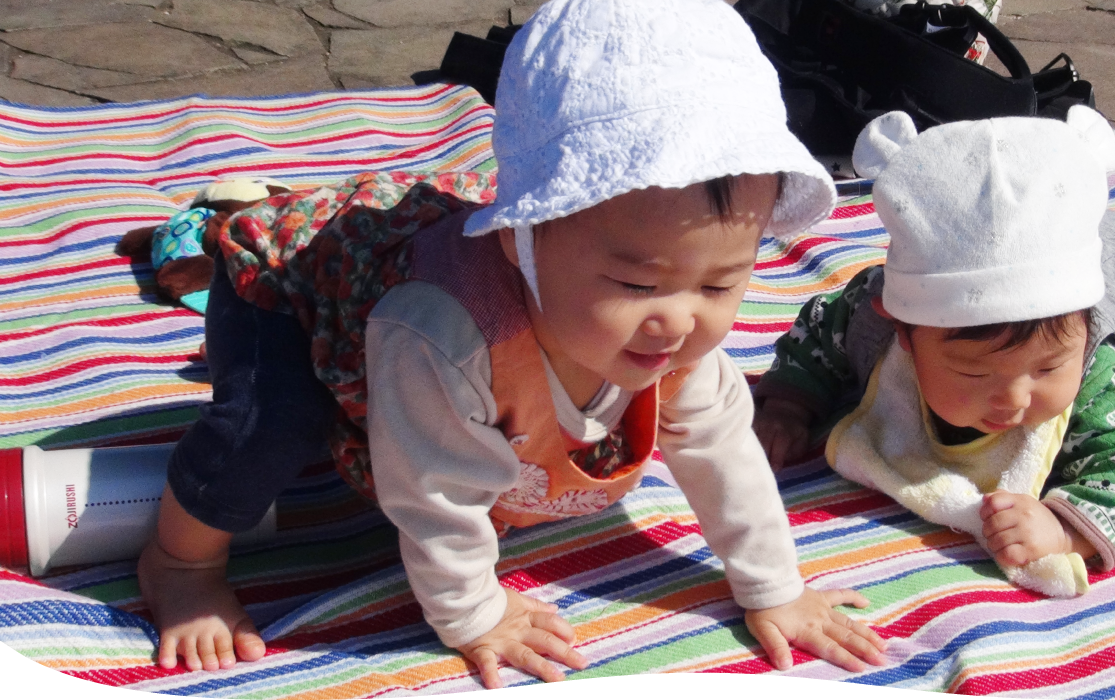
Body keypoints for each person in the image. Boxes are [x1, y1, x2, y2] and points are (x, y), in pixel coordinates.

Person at [137, 0, 887, 686]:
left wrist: (774, 587)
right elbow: (431, 495)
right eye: (635, 284)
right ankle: (177, 562)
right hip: (285, 295)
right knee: (270, 428)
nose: (678, 321)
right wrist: (474, 613)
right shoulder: (447, 333)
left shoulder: (674, 342)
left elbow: (724, 453)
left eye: (720, 285)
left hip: (407, 331)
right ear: (520, 241)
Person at [752, 107, 1115, 595]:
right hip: (1050, 237)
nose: (1013, 399)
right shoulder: (873, 318)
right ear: (904, 333)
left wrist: (1064, 529)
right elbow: (822, 328)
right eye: (972, 373)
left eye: (1048, 368)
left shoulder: (1097, 375)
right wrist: (789, 403)